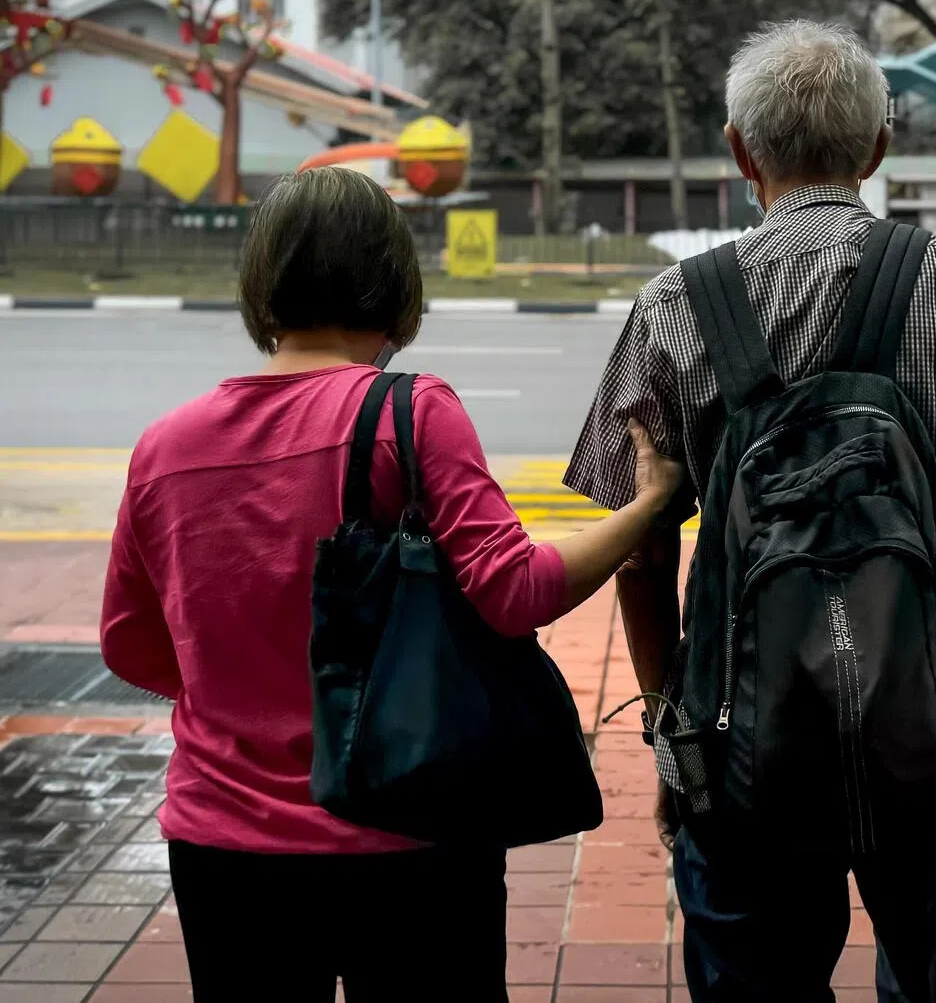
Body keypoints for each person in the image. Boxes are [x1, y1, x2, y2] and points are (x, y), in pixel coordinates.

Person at [565, 19, 936, 1001]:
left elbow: (638, 555)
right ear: (878, 150)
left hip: (748, 737)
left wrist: (677, 733)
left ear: (741, 151)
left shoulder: (673, 307)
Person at [100, 166, 682, 1002]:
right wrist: (650, 505)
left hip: (222, 846)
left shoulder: (165, 444)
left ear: (262, 279)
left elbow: (131, 643)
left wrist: (251, 696)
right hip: (410, 831)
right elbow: (513, 593)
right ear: (391, 279)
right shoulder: (411, 414)